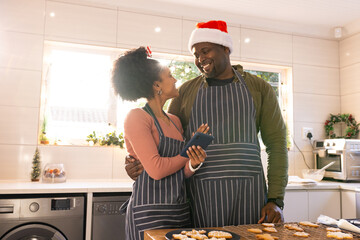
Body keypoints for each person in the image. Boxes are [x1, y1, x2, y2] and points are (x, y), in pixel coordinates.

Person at [125, 20, 288, 227]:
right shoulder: (186, 91)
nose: (200, 59)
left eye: (205, 51)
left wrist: (275, 199)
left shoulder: (259, 88)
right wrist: (134, 161)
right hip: (202, 197)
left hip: (251, 195)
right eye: (195, 54)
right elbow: (164, 140)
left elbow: (277, 145)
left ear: (225, 48)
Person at [112, 47, 209, 240]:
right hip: (149, 213)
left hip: (178, 211)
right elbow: (156, 169)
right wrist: (187, 151)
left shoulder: (175, 120)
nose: (175, 80)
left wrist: (193, 163)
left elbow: (180, 173)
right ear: (157, 85)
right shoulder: (137, 117)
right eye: (170, 76)